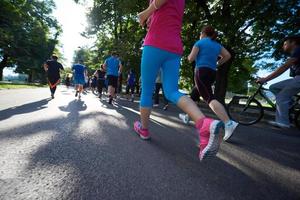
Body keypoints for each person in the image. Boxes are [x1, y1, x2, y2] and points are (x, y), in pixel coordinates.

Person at [135, 0, 226, 161]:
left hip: (155, 42)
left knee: (147, 90)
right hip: (174, 46)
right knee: (171, 91)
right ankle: (204, 124)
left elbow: (157, 5)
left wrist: (146, 12)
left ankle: (144, 129)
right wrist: (151, 17)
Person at [186, 25, 238, 141]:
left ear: (203, 34)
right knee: (196, 91)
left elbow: (190, 58)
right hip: (212, 73)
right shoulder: (217, 45)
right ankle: (187, 116)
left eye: (200, 34)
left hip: (201, 71)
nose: (200, 36)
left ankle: (228, 123)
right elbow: (227, 55)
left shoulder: (199, 43)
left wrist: (189, 56)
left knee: (209, 97)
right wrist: (218, 63)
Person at [257, 36, 300, 128]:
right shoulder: (294, 54)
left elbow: (283, 67)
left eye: (285, 43)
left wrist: (265, 79)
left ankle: (283, 122)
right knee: (273, 87)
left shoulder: (298, 50)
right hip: (297, 78)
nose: (283, 46)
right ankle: (289, 103)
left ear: (293, 43)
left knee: (281, 97)